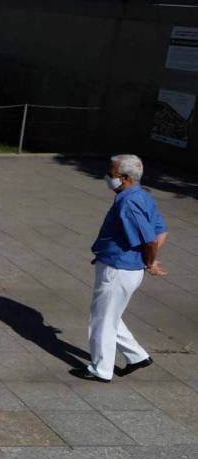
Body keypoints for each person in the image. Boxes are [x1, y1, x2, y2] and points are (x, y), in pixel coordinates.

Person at [72, 154, 167, 383]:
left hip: (118, 269)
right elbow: (160, 230)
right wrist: (147, 259)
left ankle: (101, 369)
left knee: (101, 320)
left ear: (124, 178)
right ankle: (137, 357)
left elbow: (151, 240)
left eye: (111, 173)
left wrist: (150, 261)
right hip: (123, 267)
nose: (107, 176)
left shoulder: (128, 202)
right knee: (109, 316)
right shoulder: (142, 197)